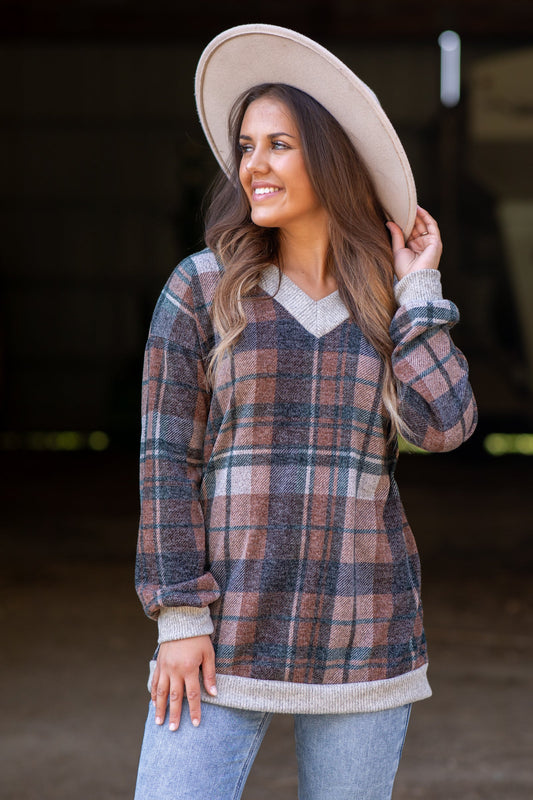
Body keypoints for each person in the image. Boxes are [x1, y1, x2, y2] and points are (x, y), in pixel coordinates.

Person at [134, 24, 477, 800]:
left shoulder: (388, 303)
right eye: (246, 146)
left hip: (365, 633)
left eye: (279, 145)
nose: (252, 165)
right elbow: (165, 466)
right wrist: (180, 617)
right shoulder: (200, 289)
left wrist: (418, 292)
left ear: (329, 157)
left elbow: (445, 427)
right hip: (223, 637)